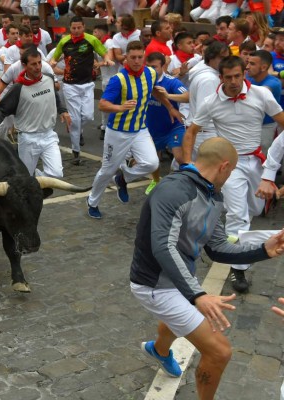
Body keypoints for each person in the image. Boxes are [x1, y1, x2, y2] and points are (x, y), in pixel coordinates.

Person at [131, 136, 284, 400]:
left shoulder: (214, 196)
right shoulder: (173, 191)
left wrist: (264, 250)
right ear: (225, 166)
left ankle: (159, 350)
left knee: (179, 317)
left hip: (180, 281)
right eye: (233, 170)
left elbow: (217, 248)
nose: (231, 175)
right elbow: (163, 246)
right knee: (219, 351)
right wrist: (198, 296)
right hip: (154, 285)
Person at [182, 56, 284, 294]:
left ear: (244, 73)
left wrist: (273, 164)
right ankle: (239, 267)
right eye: (228, 77)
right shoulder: (211, 101)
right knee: (238, 215)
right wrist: (187, 164)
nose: (234, 81)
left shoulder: (262, 95)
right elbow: (192, 132)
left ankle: (219, 230)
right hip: (230, 164)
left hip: (257, 160)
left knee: (256, 209)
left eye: (237, 76)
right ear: (221, 77)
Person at [85, 41, 180, 219]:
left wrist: (170, 108)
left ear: (144, 57)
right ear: (126, 58)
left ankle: (123, 178)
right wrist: (121, 108)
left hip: (140, 129)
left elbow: (155, 92)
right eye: (133, 57)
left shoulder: (150, 73)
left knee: (152, 163)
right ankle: (92, 201)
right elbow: (103, 105)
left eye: (140, 57)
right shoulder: (118, 80)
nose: (136, 61)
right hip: (117, 132)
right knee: (107, 170)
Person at [0, 47, 70, 178]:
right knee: (26, 177)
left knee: (56, 174)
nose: (38, 67)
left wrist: (63, 110)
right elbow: (1, 109)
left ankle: (37, 177)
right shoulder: (18, 88)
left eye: (39, 62)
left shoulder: (48, 79)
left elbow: (54, 95)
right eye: (33, 64)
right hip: (28, 138)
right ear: (24, 65)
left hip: (49, 135)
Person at [50, 16, 114, 165]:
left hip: (87, 84)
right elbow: (55, 58)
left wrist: (107, 59)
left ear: (84, 27)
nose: (77, 30)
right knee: (75, 120)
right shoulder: (64, 42)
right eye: (74, 28)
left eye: (79, 28)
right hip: (70, 85)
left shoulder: (91, 40)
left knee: (88, 116)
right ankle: (76, 151)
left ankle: (78, 131)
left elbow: (104, 52)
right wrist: (52, 63)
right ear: (70, 28)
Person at [144, 51, 189, 195]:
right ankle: (155, 180)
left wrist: (168, 96)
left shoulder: (171, 81)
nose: (152, 70)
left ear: (163, 66)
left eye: (155, 67)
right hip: (152, 129)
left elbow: (188, 96)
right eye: (149, 67)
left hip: (173, 126)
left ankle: (185, 185)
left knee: (181, 157)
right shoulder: (142, 81)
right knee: (153, 161)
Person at [246, 50, 281, 153]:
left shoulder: (274, 83)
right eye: (247, 62)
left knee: (264, 160)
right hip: (250, 124)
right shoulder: (249, 77)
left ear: (264, 67)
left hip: (266, 127)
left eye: (252, 64)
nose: (247, 66)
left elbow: (262, 92)